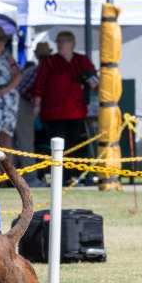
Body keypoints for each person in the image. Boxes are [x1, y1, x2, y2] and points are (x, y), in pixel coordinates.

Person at [31, 31, 98, 185]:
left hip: (76, 111)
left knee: (72, 147)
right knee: (56, 147)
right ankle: (56, 178)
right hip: (54, 112)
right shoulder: (50, 61)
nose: (59, 44)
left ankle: (67, 178)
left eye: (62, 41)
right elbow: (39, 85)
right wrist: (36, 105)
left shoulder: (82, 60)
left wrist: (92, 82)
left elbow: (95, 77)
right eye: (58, 41)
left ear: (71, 43)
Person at [13, 42, 53, 187]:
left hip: (16, 103)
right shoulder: (40, 70)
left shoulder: (33, 69)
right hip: (23, 104)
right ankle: (30, 178)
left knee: (13, 143)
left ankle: (9, 179)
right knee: (26, 142)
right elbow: (34, 92)